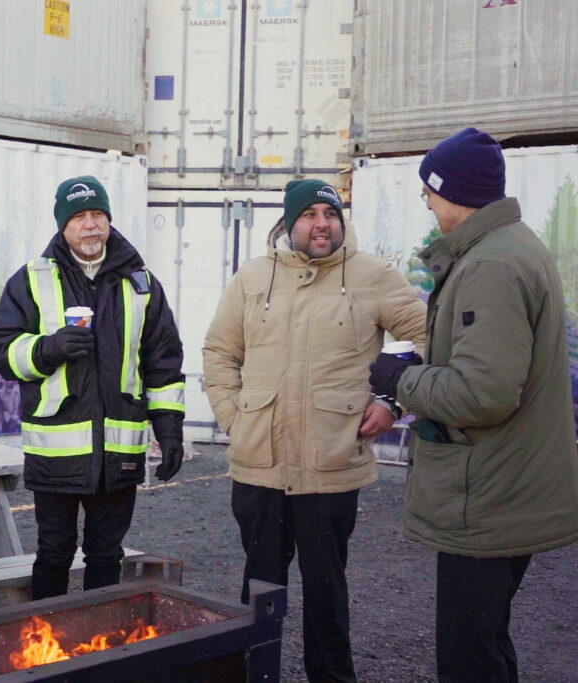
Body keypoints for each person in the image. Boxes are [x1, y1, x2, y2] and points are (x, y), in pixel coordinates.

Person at [368, 127, 578, 682]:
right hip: (503, 487)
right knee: (485, 642)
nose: (427, 204)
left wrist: (401, 378)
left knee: (468, 657)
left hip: (489, 495)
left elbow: (483, 394)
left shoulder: (491, 266)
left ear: (453, 191)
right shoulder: (507, 249)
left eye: (428, 193)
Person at [202, 179, 427, 682]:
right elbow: (219, 353)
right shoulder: (253, 278)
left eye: (330, 212)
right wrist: (235, 422)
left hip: (332, 464)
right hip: (259, 464)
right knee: (259, 589)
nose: (321, 223)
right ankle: (254, 675)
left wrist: (393, 402)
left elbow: (427, 334)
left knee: (327, 589)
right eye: (309, 214)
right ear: (289, 223)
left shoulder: (372, 275)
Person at [0, 175, 185, 599]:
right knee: (55, 552)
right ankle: (47, 645)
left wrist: (169, 432)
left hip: (120, 448)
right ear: (63, 226)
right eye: (79, 216)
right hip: (56, 450)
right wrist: (47, 349)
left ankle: (99, 650)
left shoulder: (142, 283)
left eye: (98, 214)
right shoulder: (32, 279)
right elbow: (0, 349)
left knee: (105, 554)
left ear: (109, 221)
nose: (91, 224)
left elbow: (163, 362)